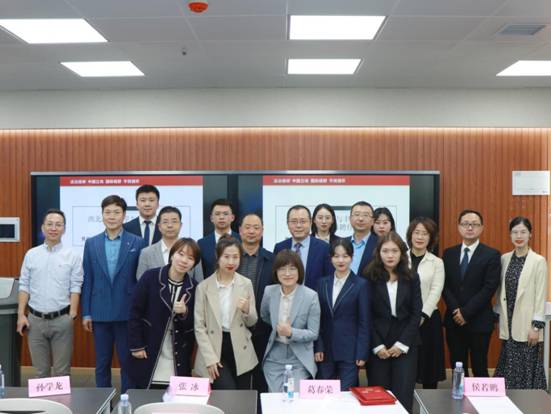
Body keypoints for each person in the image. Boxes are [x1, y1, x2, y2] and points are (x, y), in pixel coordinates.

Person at [81, 195, 147, 392]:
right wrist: (86, 313)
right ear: (102, 215)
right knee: (102, 363)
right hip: (99, 312)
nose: (112, 216)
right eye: (107, 212)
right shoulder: (91, 243)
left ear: (124, 216)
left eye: (116, 212)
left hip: (127, 312)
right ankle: (104, 400)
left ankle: (128, 399)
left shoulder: (137, 242)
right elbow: (88, 279)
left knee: (127, 362)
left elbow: (141, 281)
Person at [17, 208, 83, 378]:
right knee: (41, 372)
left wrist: (72, 314)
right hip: (35, 320)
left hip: (62, 320)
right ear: (43, 227)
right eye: (50, 224)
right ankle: (44, 398)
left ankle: (61, 398)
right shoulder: (31, 254)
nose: (54, 228)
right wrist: (21, 315)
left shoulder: (73, 255)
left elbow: (76, 286)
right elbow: (24, 285)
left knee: (62, 372)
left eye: (58, 225)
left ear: (64, 229)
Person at [128, 238, 200, 389]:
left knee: (174, 397)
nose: (184, 260)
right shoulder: (150, 277)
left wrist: (185, 312)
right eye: (181, 254)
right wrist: (137, 345)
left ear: (194, 263)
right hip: (149, 347)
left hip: (177, 352)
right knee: (147, 393)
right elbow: (135, 312)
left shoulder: (194, 287)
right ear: (172, 255)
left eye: (190, 258)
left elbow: (194, 325)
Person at [366, 232, 422, 413]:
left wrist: (402, 344)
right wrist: (377, 345)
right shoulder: (369, 276)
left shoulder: (412, 277)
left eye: (395, 251)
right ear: (378, 253)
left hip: (406, 341)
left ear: (402, 253)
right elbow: (366, 315)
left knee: (403, 393)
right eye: (385, 251)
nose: (390, 255)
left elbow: (416, 313)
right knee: (379, 394)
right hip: (378, 341)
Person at [442, 209, 500, 378]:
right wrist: (456, 310)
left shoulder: (491, 254)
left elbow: (489, 288)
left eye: (474, 224)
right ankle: (459, 395)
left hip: (479, 320)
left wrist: (466, 312)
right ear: (459, 227)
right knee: (458, 368)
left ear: (481, 228)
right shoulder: (449, 253)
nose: (469, 228)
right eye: (465, 224)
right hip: (454, 320)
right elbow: (444, 285)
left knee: (479, 367)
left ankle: (480, 397)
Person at [194, 236, 257, 389]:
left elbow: (252, 321)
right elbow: (199, 327)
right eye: (226, 257)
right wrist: (209, 358)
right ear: (218, 257)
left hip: (240, 347)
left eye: (235, 257)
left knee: (242, 396)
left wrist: (247, 310)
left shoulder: (245, 283)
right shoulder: (204, 287)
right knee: (227, 391)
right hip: (215, 347)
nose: (231, 262)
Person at [494, 217, 548, 389]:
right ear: (510, 235)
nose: (519, 236)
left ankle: (528, 402)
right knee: (508, 366)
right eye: (515, 232)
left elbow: (540, 295)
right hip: (508, 322)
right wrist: (498, 317)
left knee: (527, 368)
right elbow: (500, 292)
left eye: (523, 232)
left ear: (530, 234)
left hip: (527, 325)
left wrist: (536, 327)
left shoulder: (538, 261)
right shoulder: (504, 259)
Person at [261, 249, 321, 392]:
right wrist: (278, 328)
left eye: (292, 268)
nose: (287, 273)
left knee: (293, 397)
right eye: (282, 269)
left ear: (299, 271)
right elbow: (265, 315)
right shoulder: (269, 292)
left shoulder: (311, 296)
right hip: (274, 356)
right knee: (275, 399)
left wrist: (291, 332)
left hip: (298, 357)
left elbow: (313, 333)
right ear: (276, 272)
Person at [315, 238, 370, 390]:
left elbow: (364, 322)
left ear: (352, 257)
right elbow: (317, 318)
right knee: (325, 396)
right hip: (325, 352)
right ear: (330, 258)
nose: (341, 260)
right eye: (336, 256)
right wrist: (318, 346)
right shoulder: (322, 283)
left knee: (346, 395)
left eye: (345, 256)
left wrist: (362, 353)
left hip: (350, 352)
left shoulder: (360, 284)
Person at [406, 217, 445, 389]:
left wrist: (422, 315)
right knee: (406, 363)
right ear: (410, 235)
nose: (420, 237)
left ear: (431, 238)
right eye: (417, 233)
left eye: (425, 233)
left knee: (429, 365)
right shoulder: (400, 258)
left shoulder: (437, 262)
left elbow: (436, 291)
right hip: (404, 318)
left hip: (428, 319)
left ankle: (429, 400)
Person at [237, 213, 274, 393]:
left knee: (261, 379)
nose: (251, 231)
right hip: (235, 328)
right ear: (240, 230)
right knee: (239, 381)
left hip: (263, 329)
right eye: (247, 227)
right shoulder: (231, 258)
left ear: (262, 231)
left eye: (256, 227)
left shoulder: (272, 259)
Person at [273, 205, 333, 290]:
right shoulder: (280, 247)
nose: (298, 225)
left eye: (303, 221)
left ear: (311, 222)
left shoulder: (324, 248)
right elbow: (275, 278)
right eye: (294, 221)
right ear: (287, 224)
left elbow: (329, 280)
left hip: (315, 297)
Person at [136, 206, 203, 281]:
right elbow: (141, 281)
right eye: (165, 222)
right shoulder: (146, 253)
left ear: (181, 225)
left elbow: (199, 282)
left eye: (174, 221)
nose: (170, 225)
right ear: (159, 226)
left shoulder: (192, 250)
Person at [198, 199, 240, 278]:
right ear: (211, 218)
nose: (221, 217)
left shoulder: (241, 240)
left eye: (225, 214)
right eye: (217, 214)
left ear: (232, 217)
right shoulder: (202, 244)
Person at [347, 201, 378, 277]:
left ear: (372, 221)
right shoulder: (340, 243)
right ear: (350, 219)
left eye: (365, 215)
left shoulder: (380, 244)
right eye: (357, 214)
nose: (360, 219)